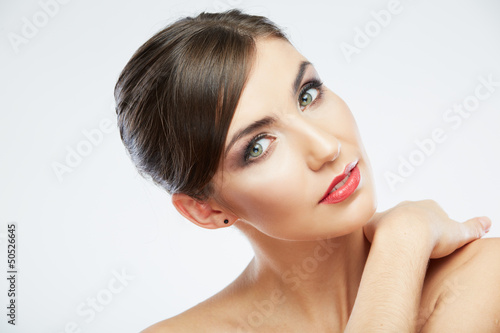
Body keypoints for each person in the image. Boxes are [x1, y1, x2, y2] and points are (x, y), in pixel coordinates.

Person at [114, 9, 500, 332]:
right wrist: (404, 240)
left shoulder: (485, 277)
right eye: (257, 146)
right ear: (206, 209)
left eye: (307, 95)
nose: (326, 146)